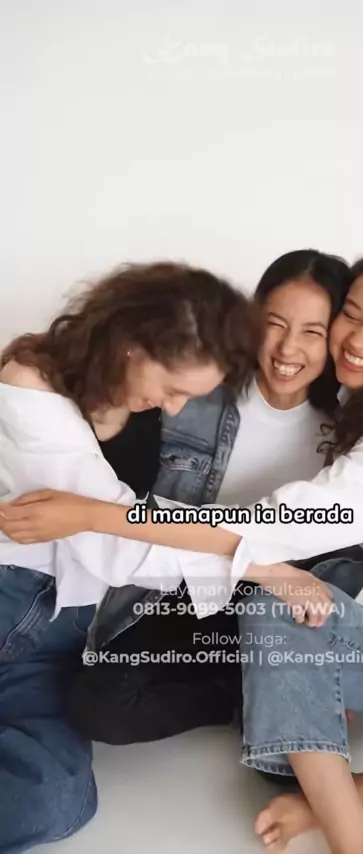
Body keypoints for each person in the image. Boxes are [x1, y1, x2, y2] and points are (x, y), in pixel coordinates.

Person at [7, 244, 363, 854]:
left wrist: (96, 514)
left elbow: (277, 527)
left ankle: (332, 794)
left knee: (274, 626)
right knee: (266, 614)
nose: (355, 339)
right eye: (352, 316)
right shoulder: (344, 411)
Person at [0, 259, 263, 853]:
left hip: (54, 637)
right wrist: (258, 559)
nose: (174, 408)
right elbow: (123, 549)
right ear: (130, 343)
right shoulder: (29, 386)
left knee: (57, 800)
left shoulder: (142, 414)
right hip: (11, 594)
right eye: (172, 388)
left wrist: (253, 554)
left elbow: (131, 526)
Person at [65, 248, 363, 747]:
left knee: (289, 770)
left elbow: (350, 551)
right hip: (180, 584)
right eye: (275, 324)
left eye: (312, 332)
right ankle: (239, 694)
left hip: (279, 601)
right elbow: (125, 502)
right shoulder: (191, 395)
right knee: (100, 706)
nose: (288, 348)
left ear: (335, 339)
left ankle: (272, 689)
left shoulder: (354, 434)